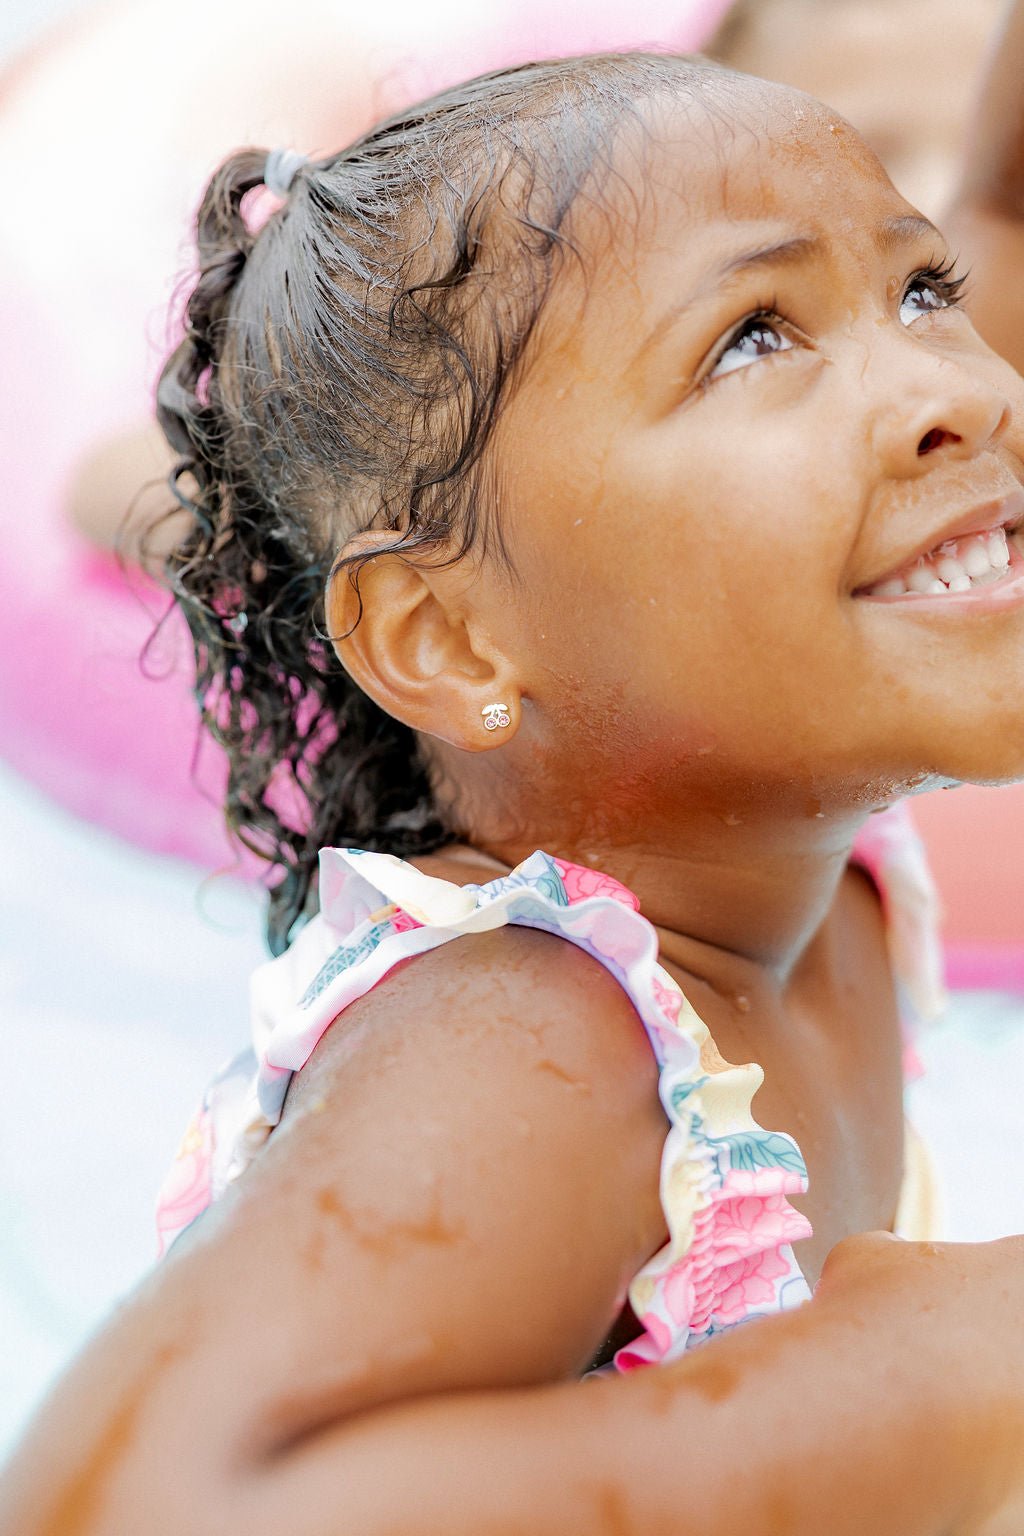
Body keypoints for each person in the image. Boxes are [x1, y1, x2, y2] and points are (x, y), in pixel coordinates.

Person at [4, 48, 1024, 1536]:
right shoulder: (533, 1037)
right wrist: (926, 1392)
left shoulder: (777, 849)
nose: (952, 394)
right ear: (454, 640)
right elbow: (137, 1510)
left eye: (921, 292)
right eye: (750, 338)